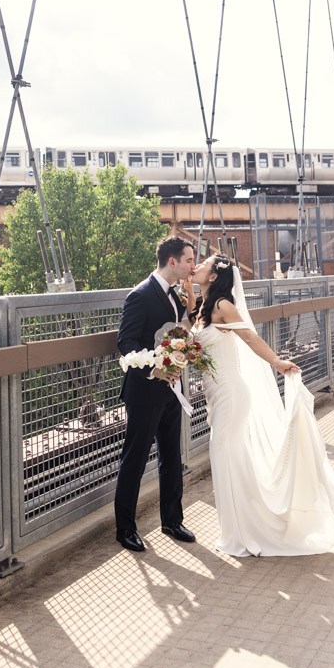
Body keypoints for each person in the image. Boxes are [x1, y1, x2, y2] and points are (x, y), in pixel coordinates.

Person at [183, 253, 334, 557]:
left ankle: (241, 533)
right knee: (229, 461)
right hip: (217, 395)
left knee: (224, 457)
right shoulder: (204, 305)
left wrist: (277, 361)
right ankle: (238, 528)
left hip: (230, 394)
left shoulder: (224, 306)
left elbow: (249, 337)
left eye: (203, 264)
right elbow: (195, 325)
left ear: (214, 276)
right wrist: (189, 292)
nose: (196, 265)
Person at [114, 236, 197, 552]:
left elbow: (179, 335)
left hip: (171, 388)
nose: (192, 265)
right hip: (145, 389)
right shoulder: (140, 295)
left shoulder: (175, 297)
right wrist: (156, 367)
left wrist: (176, 362)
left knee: (171, 457)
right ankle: (125, 529)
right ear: (172, 262)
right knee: (134, 459)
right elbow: (126, 342)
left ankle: (172, 521)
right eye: (189, 260)